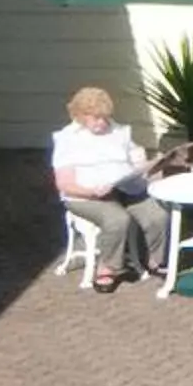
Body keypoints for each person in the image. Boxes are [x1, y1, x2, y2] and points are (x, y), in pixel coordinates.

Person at [51, 86, 168, 291]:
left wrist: (144, 164)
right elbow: (64, 184)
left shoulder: (118, 131)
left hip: (125, 187)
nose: (102, 123)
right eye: (96, 118)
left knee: (157, 214)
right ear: (81, 116)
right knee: (117, 219)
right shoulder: (68, 139)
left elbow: (136, 159)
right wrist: (92, 191)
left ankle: (155, 260)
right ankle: (107, 267)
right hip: (86, 195)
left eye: (105, 117)